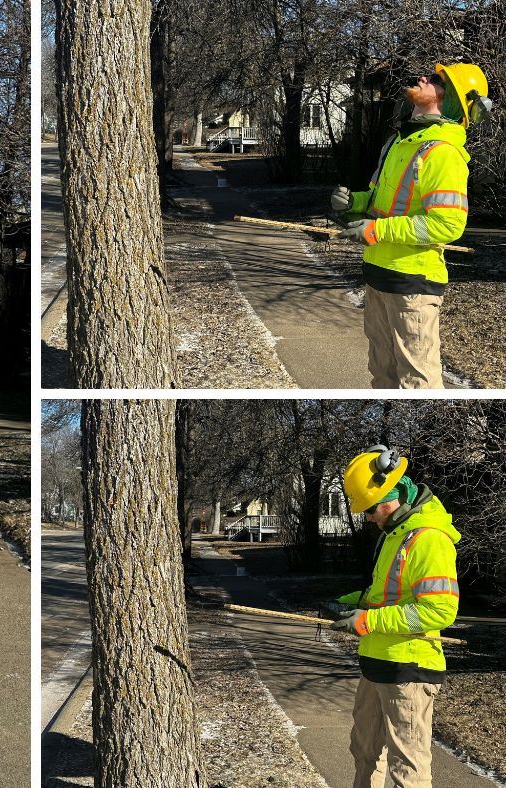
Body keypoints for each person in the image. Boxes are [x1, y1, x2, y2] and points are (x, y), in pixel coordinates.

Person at [330, 63, 491, 389]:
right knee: (382, 375)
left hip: (412, 286)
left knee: (418, 385)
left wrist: (378, 231)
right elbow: (382, 203)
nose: (423, 78)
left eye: (435, 80)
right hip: (377, 277)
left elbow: (447, 224)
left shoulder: (443, 153)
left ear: (452, 102)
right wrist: (355, 204)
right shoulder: (398, 143)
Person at [333, 445, 460, 788]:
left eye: (370, 509)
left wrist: (369, 621)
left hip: (408, 671)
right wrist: (349, 604)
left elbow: (440, 610)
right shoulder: (396, 535)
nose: (369, 518)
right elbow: (386, 597)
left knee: (408, 770)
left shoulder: (429, 539)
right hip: (376, 664)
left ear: (391, 497)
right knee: (364, 753)